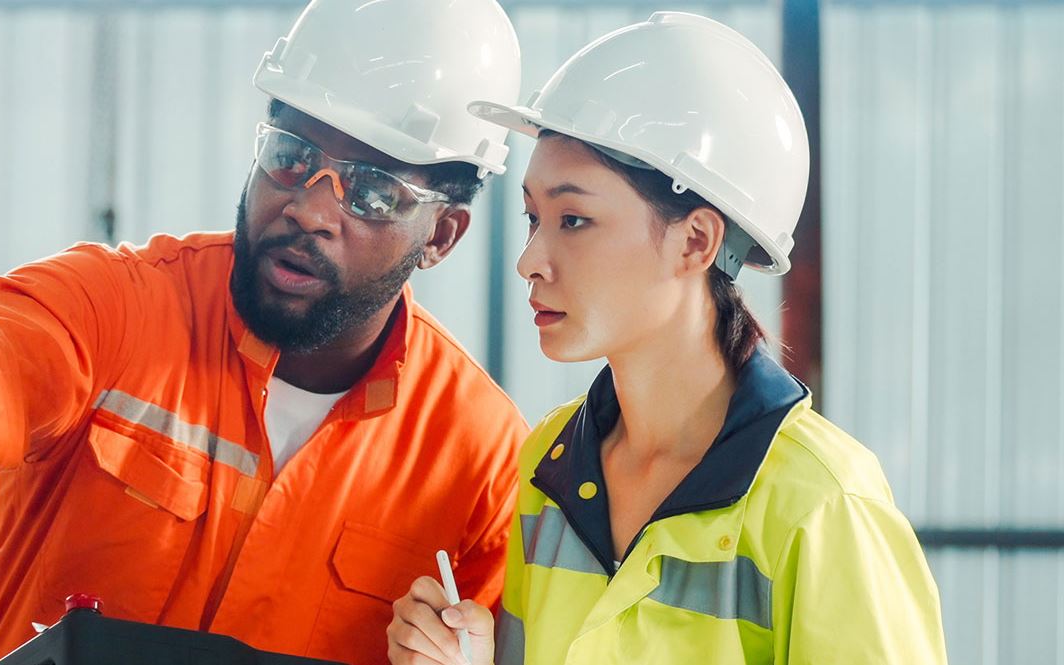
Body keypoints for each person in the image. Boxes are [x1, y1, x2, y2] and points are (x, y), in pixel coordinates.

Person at [0, 1, 531, 662]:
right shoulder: (126, 306)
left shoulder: (481, 459)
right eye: (289, 155)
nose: (308, 206)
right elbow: (3, 354)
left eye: (372, 191)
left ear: (442, 236)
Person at [384, 12, 946, 665]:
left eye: (573, 219)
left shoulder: (824, 503)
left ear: (696, 241)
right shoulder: (552, 464)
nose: (530, 259)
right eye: (534, 217)